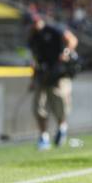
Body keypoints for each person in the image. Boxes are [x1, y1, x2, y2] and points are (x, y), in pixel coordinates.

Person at [27, 13, 78, 150]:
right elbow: (34, 59)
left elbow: (72, 40)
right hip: (42, 74)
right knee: (39, 106)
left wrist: (66, 53)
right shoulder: (32, 37)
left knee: (60, 104)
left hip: (58, 72)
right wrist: (33, 79)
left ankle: (62, 128)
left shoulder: (53, 29)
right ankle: (44, 137)